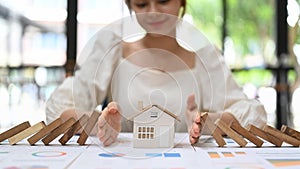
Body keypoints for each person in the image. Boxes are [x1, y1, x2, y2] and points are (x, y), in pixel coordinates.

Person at [45, 0, 267, 146]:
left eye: (163, 0)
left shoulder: (206, 61)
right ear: (130, 7)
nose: (153, 12)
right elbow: (58, 107)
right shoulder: (111, 51)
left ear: (182, 2)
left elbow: (253, 115)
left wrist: (207, 123)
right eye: (142, 4)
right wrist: (95, 124)